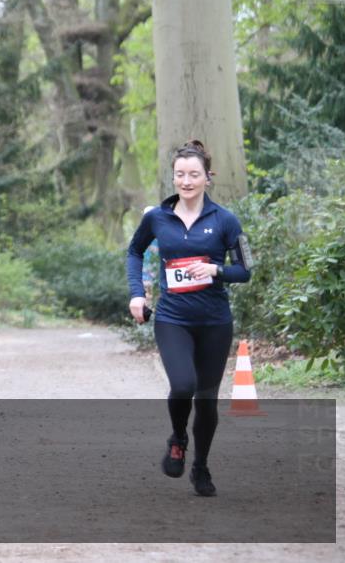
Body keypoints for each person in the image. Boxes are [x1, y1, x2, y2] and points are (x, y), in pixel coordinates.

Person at [126, 140, 251, 497]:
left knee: (207, 400)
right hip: (172, 317)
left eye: (194, 174)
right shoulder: (157, 217)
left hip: (214, 320)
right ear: (173, 177)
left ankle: (201, 466)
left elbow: (245, 270)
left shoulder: (225, 220)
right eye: (180, 174)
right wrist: (137, 292)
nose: (186, 181)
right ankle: (178, 438)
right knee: (183, 385)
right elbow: (134, 251)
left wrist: (215, 269)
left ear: (207, 178)